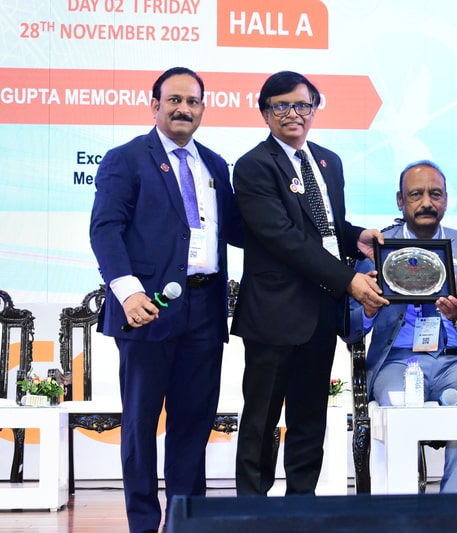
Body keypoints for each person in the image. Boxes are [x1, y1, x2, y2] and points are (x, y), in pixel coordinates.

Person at [89, 66, 243, 533]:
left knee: (193, 424)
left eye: (192, 101)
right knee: (140, 425)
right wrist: (128, 292)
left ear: (203, 108)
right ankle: (142, 523)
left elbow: (236, 230)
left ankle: (185, 521)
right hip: (147, 308)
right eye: (174, 100)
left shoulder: (215, 164)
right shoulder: (126, 159)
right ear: (154, 105)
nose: (183, 109)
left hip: (205, 309)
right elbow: (105, 229)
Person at [231, 70, 388, 496]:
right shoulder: (254, 166)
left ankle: (302, 505)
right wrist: (348, 281)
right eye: (281, 106)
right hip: (274, 313)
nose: (293, 114)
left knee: (309, 417)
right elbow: (284, 238)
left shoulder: (328, 162)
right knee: (262, 418)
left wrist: (356, 237)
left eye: (302, 105)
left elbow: (325, 228)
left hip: (320, 310)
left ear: (314, 109)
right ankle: (252, 510)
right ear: (265, 113)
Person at [345, 160, 457, 493]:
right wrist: (369, 310)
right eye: (416, 194)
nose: (426, 203)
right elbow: (349, 328)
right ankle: (407, 509)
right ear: (400, 201)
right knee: (396, 408)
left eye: (435, 194)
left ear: (446, 199)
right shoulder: (376, 249)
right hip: (397, 362)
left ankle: (449, 506)